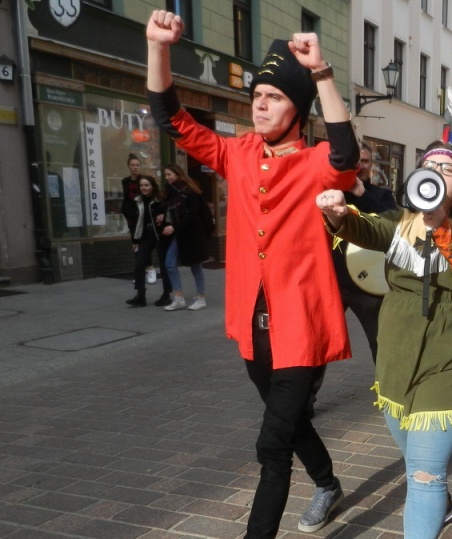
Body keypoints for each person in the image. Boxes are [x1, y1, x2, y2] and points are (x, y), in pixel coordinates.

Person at [146, 10, 359, 537]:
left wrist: (322, 74)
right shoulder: (237, 154)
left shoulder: (316, 163)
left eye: (275, 97)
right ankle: (329, 483)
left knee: (271, 445)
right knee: (289, 423)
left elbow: (346, 151)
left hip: (301, 327)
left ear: (297, 110)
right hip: (252, 326)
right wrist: (157, 48)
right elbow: (170, 118)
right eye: (257, 95)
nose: (261, 105)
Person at [317, 143, 452, 538]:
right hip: (397, 351)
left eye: (447, 170)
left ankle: (433, 496)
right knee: (415, 460)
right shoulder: (398, 221)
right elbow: (364, 227)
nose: (436, 172)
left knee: (424, 474)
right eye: (429, 166)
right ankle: (442, 501)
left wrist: (443, 229)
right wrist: (337, 213)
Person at [330, 141, 396, 360]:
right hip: (332, 281)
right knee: (321, 341)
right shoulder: (330, 194)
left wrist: (361, 194)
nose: (360, 166)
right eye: (354, 162)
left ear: (371, 164)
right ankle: (305, 394)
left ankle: (388, 391)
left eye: (365, 161)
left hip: (368, 284)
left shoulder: (382, 194)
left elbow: (392, 222)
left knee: (381, 344)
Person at [160, 163, 208, 311]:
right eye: (166, 175)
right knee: (169, 263)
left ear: (178, 174)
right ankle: (179, 297)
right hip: (179, 234)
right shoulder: (170, 193)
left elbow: (192, 215)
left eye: (169, 174)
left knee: (196, 267)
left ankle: (201, 298)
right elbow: (167, 210)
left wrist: (174, 226)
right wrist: (163, 216)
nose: (167, 178)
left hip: (191, 234)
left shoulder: (189, 190)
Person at [121, 175, 173, 307]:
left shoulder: (160, 200)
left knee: (163, 265)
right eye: (141, 186)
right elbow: (133, 222)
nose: (144, 188)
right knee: (139, 263)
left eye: (147, 185)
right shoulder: (137, 201)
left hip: (160, 235)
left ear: (152, 186)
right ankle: (140, 295)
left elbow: (170, 214)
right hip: (145, 235)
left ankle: (166, 294)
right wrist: (134, 240)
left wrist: (164, 216)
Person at [121, 153, 162, 293]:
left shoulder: (143, 180)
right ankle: (142, 271)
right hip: (131, 215)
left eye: (137, 165)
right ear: (128, 166)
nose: (135, 167)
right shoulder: (125, 181)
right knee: (135, 244)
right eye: (132, 165)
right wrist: (125, 212)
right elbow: (126, 198)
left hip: (143, 214)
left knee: (142, 243)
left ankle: (150, 268)